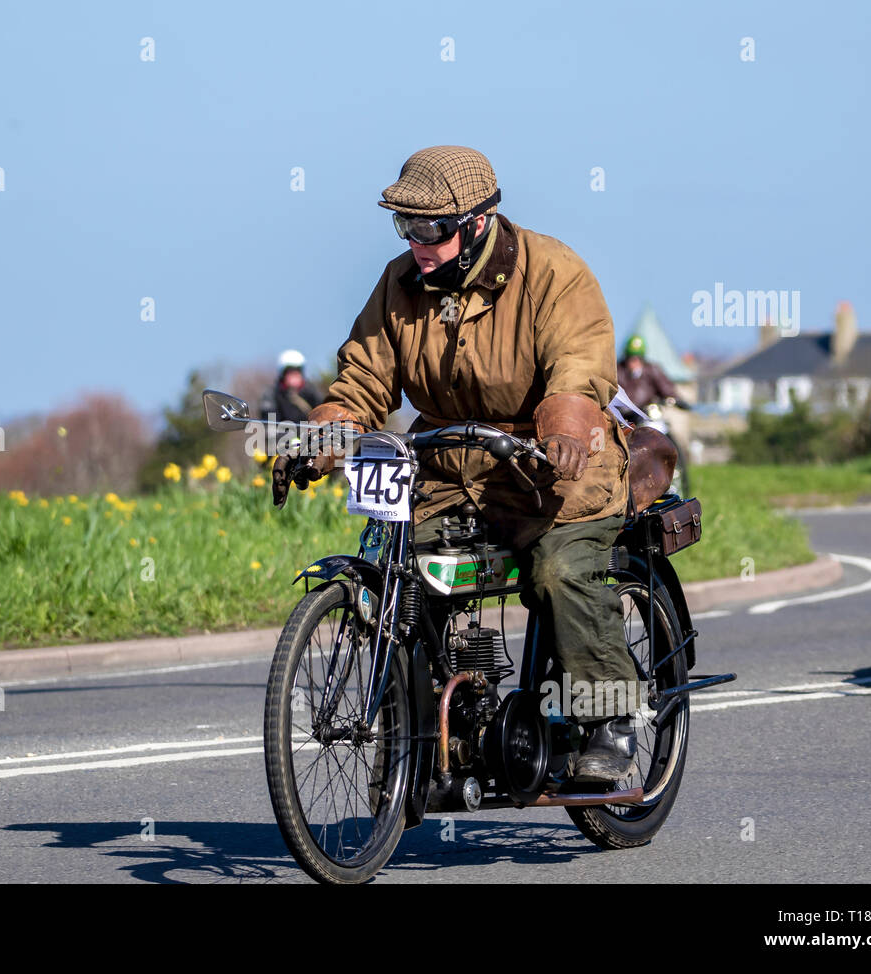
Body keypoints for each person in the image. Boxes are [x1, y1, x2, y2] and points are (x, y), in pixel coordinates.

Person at [272, 145, 638, 781]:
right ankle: (431, 735)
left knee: (557, 573)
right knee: (405, 580)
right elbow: (362, 381)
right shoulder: (400, 284)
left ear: (476, 223)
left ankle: (610, 718)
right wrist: (322, 436)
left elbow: (579, 364)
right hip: (448, 471)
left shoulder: (553, 272)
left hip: (552, 471)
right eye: (405, 226)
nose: (418, 242)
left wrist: (567, 422)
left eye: (431, 228)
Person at [617, 334, 690, 412]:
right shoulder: (618, 371)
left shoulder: (652, 370)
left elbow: (667, 389)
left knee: (658, 424)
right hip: (623, 416)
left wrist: (677, 400)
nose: (634, 362)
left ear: (642, 358)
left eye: (637, 358)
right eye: (630, 357)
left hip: (646, 413)